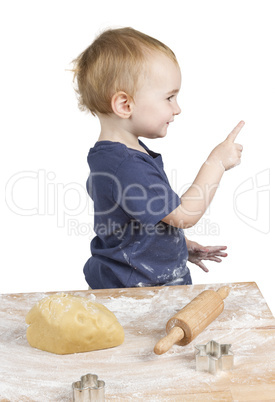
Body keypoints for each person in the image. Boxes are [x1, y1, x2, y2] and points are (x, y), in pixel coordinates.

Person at [72, 27, 244, 289]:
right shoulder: (127, 166)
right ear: (125, 105)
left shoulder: (114, 158)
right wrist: (216, 163)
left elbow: (132, 227)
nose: (177, 109)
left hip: (135, 288)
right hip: (137, 297)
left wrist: (179, 247)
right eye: (169, 97)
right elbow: (185, 214)